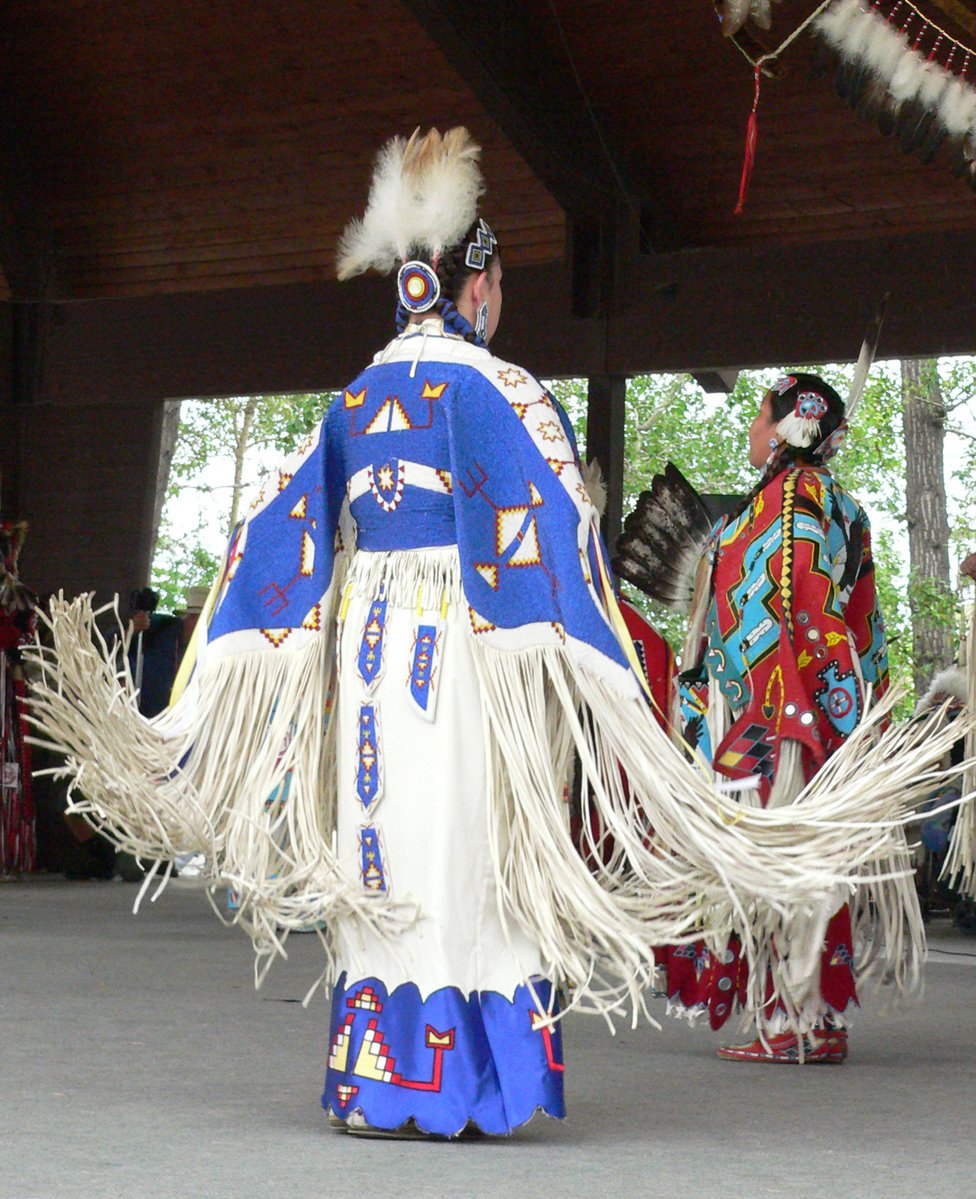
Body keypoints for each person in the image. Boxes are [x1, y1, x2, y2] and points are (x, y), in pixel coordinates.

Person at [29, 134, 948, 1135]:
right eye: (499, 281)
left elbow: (271, 548)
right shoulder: (501, 393)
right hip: (466, 664)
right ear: (475, 289)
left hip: (372, 661)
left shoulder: (353, 398)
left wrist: (193, 709)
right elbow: (563, 546)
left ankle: (379, 1081)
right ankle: (469, 1082)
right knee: (472, 842)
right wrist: (630, 698)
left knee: (383, 849)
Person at [623, 375, 891, 1064]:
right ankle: (812, 1017)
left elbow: (796, 598)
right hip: (797, 712)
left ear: (786, 427)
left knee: (778, 862)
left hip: (775, 718)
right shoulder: (829, 501)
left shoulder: (797, 498)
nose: (750, 428)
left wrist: (780, 710)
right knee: (799, 863)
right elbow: (856, 619)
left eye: (757, 416)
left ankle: (790, 1021)